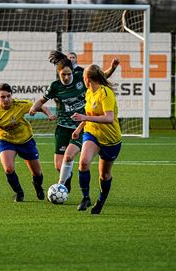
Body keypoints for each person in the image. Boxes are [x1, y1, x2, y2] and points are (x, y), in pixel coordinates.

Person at [30, 50, 119, 194]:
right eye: (63, 75)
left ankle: (61, 186)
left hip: (80, 126)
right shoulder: (55, 86)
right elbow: (42, 100)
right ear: (58, 74)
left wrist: (113, 67)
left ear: (73, 71)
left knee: (69, 156)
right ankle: (66, 182)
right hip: (62, 128)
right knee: (60, 166)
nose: (66, 77)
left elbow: (102, 77)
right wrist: (34, 108)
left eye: (68, 74)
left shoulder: (81, 78)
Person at [0, 83, 55, 202]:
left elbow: (41, 106)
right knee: (8, 169)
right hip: (6, 141)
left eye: (8, 96)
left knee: (37, 172)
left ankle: (38, 186)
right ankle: (19, 193)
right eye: (3, 97)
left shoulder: (20, 105)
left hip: (25, 140)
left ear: (11, 96)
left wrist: (50, 114)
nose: (6, 99)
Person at [71, 64, 122, 214]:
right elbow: (90, 115)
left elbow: (109, 118)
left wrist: (84, 117)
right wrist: (79, 128)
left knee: (104, 175)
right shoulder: (89, 92)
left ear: (87, 79)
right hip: (92, 134)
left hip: (111, 139)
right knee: (83, 162)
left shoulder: (105, 93)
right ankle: (85, 197)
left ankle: (100, 201)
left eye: (83, 77)